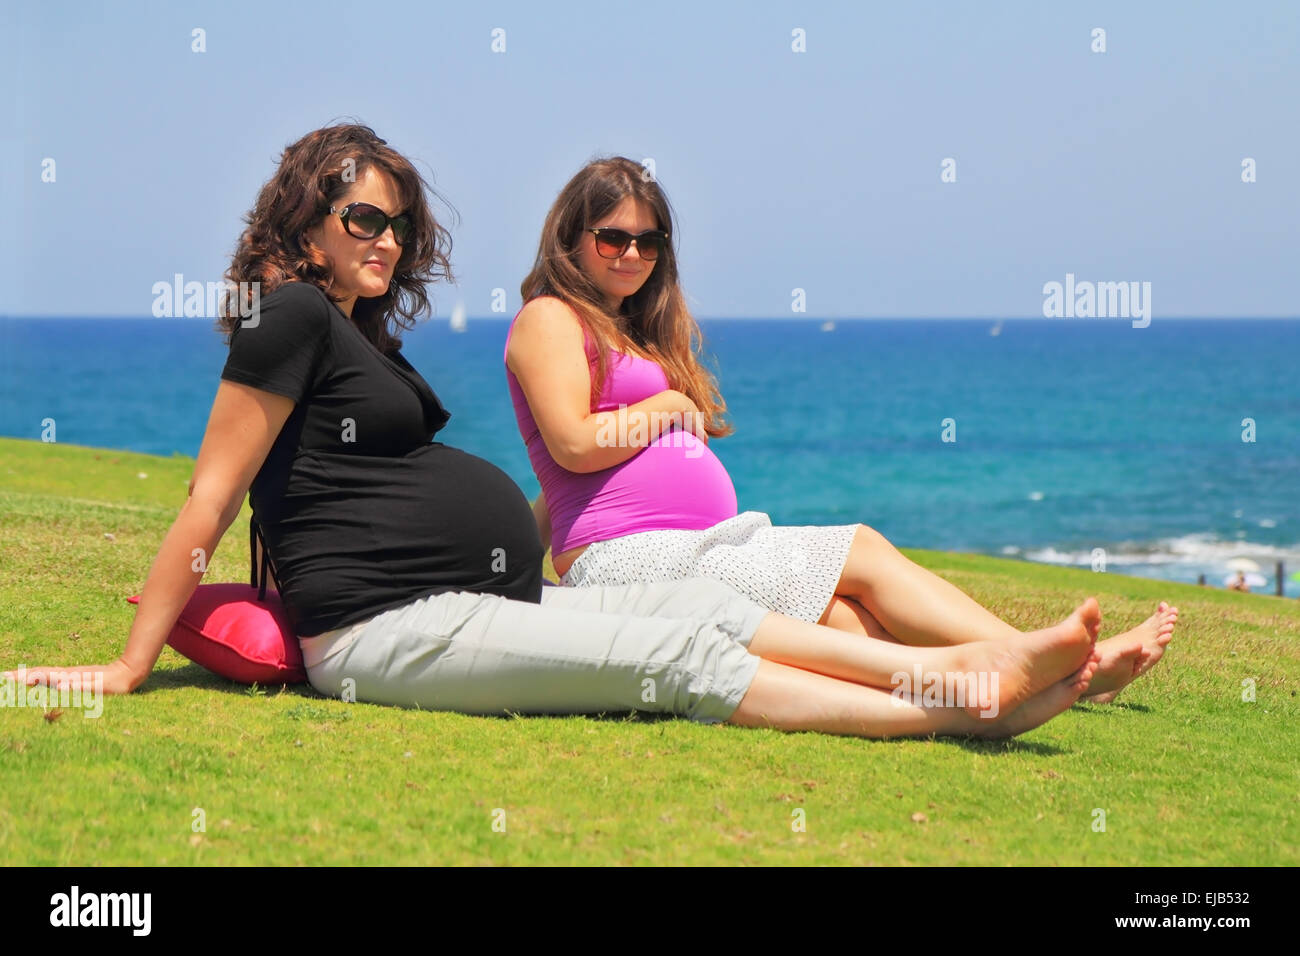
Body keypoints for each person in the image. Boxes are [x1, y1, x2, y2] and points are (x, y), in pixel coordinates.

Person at [3, 124, 1109, 740]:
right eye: (363, 218)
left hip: (479, 596)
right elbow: (211, 494)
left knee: (706, 603)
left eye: (400, 221)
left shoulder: (353, 337)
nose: (387, 238)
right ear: (307, 223)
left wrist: (523, 532)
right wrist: (126, 663)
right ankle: (961, 709)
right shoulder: (288, 316)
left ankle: (965, 661)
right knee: (672, 653)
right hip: (388, 633)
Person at [504, 156, 1177, 706]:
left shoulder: (628, 331)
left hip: (686, 547)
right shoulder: (551, 317)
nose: (633, 254)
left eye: (649, 241)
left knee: (857, 622)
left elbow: (560, 486)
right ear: (573, 238)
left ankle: (1045, 677)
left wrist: (522, 553)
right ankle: (1051, 661)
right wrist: (666, 407)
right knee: (861, 549)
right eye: (613, 237)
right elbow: (571, 444)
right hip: (637, 560)